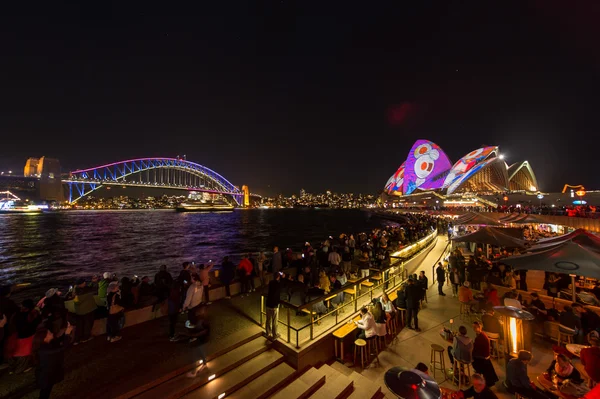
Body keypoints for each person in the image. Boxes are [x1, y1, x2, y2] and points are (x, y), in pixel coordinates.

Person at [35, 318, 73, 399]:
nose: (51, 333)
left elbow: (58, 343)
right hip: (46, 377)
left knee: (46, 391)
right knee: (45, 392)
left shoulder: (45, 345)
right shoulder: (44, 350)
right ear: (44, 338)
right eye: (49, 333)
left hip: (48, 375)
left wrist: (66, 333)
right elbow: (61, 348)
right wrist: (67, 334)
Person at [71, 278, 97, 345]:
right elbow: (93, 289)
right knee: (88, 324)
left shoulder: (75, 290)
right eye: (84, 282)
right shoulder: (85, 290)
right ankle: (85, 338)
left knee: (80, 325)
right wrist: (94, 282)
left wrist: (92, 282)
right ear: (81, 284)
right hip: (88, 309)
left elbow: (76, 302)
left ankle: (77, 340)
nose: (85, 283)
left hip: (79, 311)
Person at [472, 321, 498, 387]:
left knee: (471, 359)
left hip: (482, 359)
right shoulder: (483, 335)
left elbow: (475, 349)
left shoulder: (480, 338)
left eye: (475, 327)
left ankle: (478, 376)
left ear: (480, 327)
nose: (474, 328)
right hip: (485, 358)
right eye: (473, 327)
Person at [265, 271, 282, 340]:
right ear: (278, 277)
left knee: (268, 319)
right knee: (275, 320)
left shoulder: (271, 283)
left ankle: (267, 332)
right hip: (274, 304)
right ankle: (274, 335)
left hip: (268, 303)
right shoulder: (279, 284)